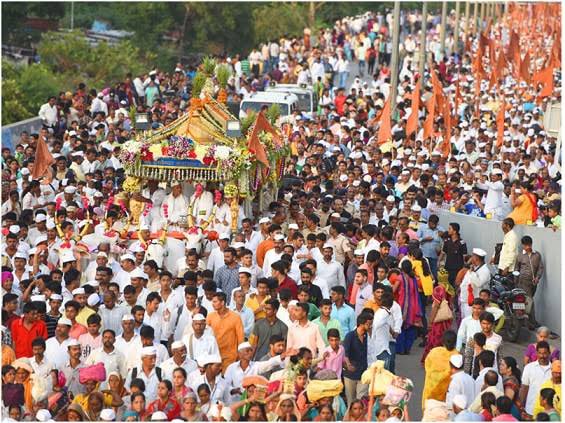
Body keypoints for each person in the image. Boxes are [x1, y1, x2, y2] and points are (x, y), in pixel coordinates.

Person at [422, 330, 459, 409]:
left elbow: (427, 366)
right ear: (455, 342)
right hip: (446, 394)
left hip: (431, 389)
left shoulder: (434, 352)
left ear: (442, 341)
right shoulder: (457, 355)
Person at [514, 236, 544, 329]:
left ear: (531, 244)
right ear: (523, 245)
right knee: (530, 301)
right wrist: (516, 281)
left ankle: (525, 321)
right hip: (522, 281)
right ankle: (532, 322)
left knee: (527, 301)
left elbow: (540, 268)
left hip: (533, 282)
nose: (527, 247)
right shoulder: (520, 256)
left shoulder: (537, 255)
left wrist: (538, 277)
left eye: (529, 245)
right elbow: (516, 269)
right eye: (525, 245)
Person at [342, 313, 372, 406]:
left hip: (364, 373)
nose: (370, 326)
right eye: (368, 324)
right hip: (350, 374)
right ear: (361, 324)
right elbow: (345, 353)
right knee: (351, 401)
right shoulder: (350, 336)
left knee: (362, 400)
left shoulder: (368, 336)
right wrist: (348, 364)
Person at [519, 341, 553, 418]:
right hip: (530, 410)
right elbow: (524, 388)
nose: (542, 356)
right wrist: (520, 406)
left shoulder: (554, 370)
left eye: (545, 353)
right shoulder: (529, 367)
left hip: (548, 413)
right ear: (536, 353)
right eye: (540, 353)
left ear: (549, 353)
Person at [422, 285, 453, 362]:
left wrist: (430, 321)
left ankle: (434, 360)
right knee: (445, 339)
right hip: (446, 320)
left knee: (435, 340)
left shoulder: (438, 289)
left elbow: (436, 306)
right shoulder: (448, 287)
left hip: (438, 321)